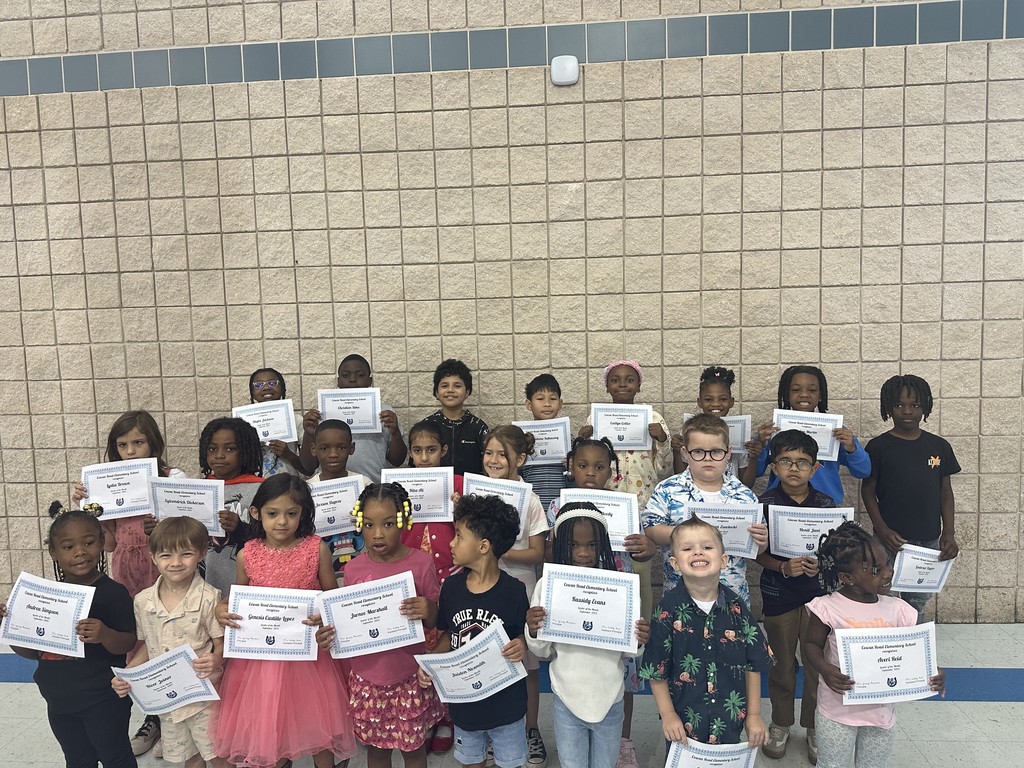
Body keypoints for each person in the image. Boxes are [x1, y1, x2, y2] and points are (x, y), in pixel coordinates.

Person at [212, 475, 356, 768]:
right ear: (256, 513)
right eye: (272, 513)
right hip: (261, 661)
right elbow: (239, 600)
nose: (282, 522)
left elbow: (332, 597)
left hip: (311, 657)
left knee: (320, 725)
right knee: (269, 728)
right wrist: (220, 611)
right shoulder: (246, 554)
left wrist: (324, 615)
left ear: (303, 512)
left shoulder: (316, 549)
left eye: (291, 513)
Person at [71, 410, 187, 757]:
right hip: (126, 573)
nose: (132, 450)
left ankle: (175, 719)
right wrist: (89, 508)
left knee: (170, 637)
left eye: (138, 442)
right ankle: (152, 715)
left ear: (153, 442)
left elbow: (189, 528)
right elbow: (108, 544)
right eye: (123, 445)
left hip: (165, 571)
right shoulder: (107, 484)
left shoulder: (171, 475)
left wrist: (162, 526)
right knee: (137, 642)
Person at [316, 483, 445, 768]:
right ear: (359, 524)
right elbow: (349, 626)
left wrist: (428, 608)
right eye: (369, 524)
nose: (377, 533)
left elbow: (437, 620)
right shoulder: (352, 569)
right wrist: (330, 633)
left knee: (413, 749)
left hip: (409, 675)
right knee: (376, 751)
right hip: (366, 678)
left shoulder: (421, 564)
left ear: (403, 522)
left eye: (388, 524)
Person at [546, 437, 656, 768]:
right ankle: (576, 730)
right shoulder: (557, 507)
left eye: (599, 466)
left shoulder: (626, 504)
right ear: (570, 467)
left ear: (612, 470)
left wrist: (645, 546)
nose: (590, 473)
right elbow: (552, 554)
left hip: (615, 601)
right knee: (578, 667)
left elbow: (642, 552)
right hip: (574, 597)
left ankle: (621, 740)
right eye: (582, 466)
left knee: (621, 675)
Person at [1, 502, 138, 768]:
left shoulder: (113, 593)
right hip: (58, 698)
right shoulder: (47, 598)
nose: (80, 552)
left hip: (103, 699)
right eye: (68, 546)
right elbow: (32, 652)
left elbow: (128, 641)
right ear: (54, 552)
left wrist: (104, 634)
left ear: (101, 543)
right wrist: (11, 629)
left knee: (115, 757)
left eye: (88, 542)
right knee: (77, 759)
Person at [803, 522, 946, 768]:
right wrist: (826, 670)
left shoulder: (899, 610)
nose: (887, 573)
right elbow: (810, 645)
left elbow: (914, 654)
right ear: (847, 578)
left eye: (887, 564)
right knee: (831, 765)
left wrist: (933, 672)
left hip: (881, 712)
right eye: (876, 570)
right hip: (837, 712)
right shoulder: (827, 608)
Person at [526, 502, 650, 768]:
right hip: (566, 697)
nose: (583, 553)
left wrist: (638, 639)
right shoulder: (547, 587)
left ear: (603, 543)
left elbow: (629, 651)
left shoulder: (619, 588)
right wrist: (534, 628)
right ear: (561, 544)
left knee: (605, 764)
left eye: (592, 545)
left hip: (611, 697)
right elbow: (543, 651)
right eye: (573, 545)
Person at [417, 494, 530, 768]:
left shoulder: (514, 591)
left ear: (483, 546)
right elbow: (448, 634)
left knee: (511, 763)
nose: (451, 543)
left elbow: (522, 636)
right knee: (470, 762)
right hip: (465, 705)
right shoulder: (452, 589)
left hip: (507, 706)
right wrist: (432, 663)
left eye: (458, 535)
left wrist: (522, 644)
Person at [640, 517, 773, 747]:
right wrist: (668, 715)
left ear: (723, 560)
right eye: (688, 548)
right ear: (675, 563)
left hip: (729, 724)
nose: (698, 552)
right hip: (682, 727)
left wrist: (753, 715)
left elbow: (754, 664)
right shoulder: (667, 611)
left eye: (707, 547)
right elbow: (656, 670)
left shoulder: (737, 608)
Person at [111, 517, 229, 768]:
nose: (175, 563)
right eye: (165, 555)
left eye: (186, 554)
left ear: (201, 553)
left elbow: (221, 642)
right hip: (168, 699)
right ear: (153, 557)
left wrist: (217, 658)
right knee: (190, 757)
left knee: (217, 755)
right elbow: (146, 645)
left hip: (204, 695)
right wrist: (128, 674)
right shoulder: (143, 601)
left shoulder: (209, 598)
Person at [578, 360, 670, 672]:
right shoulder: (596, 417)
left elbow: (664, 468)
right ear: (606, 386)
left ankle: (640, 631)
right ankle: (606, 625)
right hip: (604, 507)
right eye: (615, 380)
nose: (622, 384)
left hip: (640, 507)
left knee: (639, 571)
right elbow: (586, 458)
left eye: (629, 380)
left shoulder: (653, 418)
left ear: (639, 386)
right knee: (605, 569)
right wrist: (584, 436)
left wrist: (661, 440)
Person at [756, 430, 834, 764]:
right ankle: (781, 723)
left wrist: (824, 565)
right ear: (773, 466)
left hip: (818, 599)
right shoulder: (765, 505)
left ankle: (815, 726)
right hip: (779, 596)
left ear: (815, 468)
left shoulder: (827, 506)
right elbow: (756, 555)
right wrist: (781, 567)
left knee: (817, 665)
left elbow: (837, 555)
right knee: (782, 665)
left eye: (802, 462)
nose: (794, 468)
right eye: (786, 461)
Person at [642, 414, 768, 605]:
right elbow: (651, 529)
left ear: (728, 452)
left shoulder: (744, 496)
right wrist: (689, 533)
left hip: (732, 598)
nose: (708, 459)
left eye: (716, 452)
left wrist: (762, 541)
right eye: (698, 452)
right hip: (680, 599)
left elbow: (759, 549)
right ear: (685, 453)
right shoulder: (668, 489)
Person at [861, 375, 960, 616]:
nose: (907, 411)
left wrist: (948, 532)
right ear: (888, 408)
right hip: (891, 539)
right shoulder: (878, 446)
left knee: (917, 601)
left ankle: (914, 644)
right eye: (899, 405)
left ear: (925, 406)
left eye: (914, 405)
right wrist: (881, 530)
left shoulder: (939, 446)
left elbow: (945, 492)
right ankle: (888, 645)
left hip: (929, 541)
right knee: (885, 597)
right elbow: (867, 489)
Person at [481, 425, 550, 768]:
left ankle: (530, 729)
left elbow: (538, 552)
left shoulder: (531, 499)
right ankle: (496, 731)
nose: (493, 460)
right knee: (491, 656)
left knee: (526, 663)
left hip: (520, 588)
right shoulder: (475, 494)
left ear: (520, 459)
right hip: (482, 587)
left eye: (501, 454)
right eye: (488, 453)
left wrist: (500, 552)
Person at [743, 366, 870, 504]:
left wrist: (852, 448)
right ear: (787, 394)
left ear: (820, 395)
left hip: (824, 507)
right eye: (796, 390)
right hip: (780, 505)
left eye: (812, 390)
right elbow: (757, 472)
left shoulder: (837, 432)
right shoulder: (772, 430)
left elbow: (863, 471)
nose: (804, 394)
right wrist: (760, 447)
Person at [299, 353, 407, 482]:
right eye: (345, 375)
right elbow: (308, 466)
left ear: (370, 381)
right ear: (338, 381)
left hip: (374, 485)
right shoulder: (322, 413)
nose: (352, 379)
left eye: (360, 375)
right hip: (332, 487)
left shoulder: (385, 413)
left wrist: (395, 432)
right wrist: (308, 433)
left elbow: (397, 461)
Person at [198, 417, 264, 595]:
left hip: (247, 584)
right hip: (203, 585)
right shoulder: (197, 490)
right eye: (212, 449)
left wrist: (241, 528)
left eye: (230, 448)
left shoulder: (261, 489)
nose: (219, 455)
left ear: (245, 451)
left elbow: (273, 537)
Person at [671, 367, 760, 486]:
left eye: (723, 399)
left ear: (731, 401)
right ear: (699, 402)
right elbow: (681, 476)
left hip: (731, 497)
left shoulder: (741, 433)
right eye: (708, 399)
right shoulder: (689, 432)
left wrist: (753, 458)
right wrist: (677, 452)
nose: (716, 404)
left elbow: (747, 484)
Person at [306, 419, 371, 580]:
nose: (333, 454)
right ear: (314, 449)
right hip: (321, 570)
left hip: (363, 566)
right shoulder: (306, 490)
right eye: (324, 448)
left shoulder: (364, 484)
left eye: (341, 447)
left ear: (352, 448)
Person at [424, 358, 489, 476]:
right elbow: (415, 465)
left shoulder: (478, 427)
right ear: (437, 392)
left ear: (467, 391)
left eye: (457, 386)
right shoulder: (427, 426)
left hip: (471, 492)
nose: (450, 390)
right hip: (435, 490)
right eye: (444, 386)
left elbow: (488, 465)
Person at [518, 374, 569, 509]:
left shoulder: (570, 440)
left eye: (553, 398)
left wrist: (571, 469)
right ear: (529, 404)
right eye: (540, 398)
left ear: (560, 403)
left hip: (561, 506)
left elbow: (575, 477)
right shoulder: (520, 440)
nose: (547, 404)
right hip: (531, 506)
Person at [246, 367, 306, 478]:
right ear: (252, 394)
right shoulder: (243, 423)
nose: (266, 387)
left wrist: (288, 454)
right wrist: (252, 451)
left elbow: (309, 468)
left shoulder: (296, 420)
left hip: (289, 486)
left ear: (283, 389)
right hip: (254, 487)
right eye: (258, 385)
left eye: (273, 383)